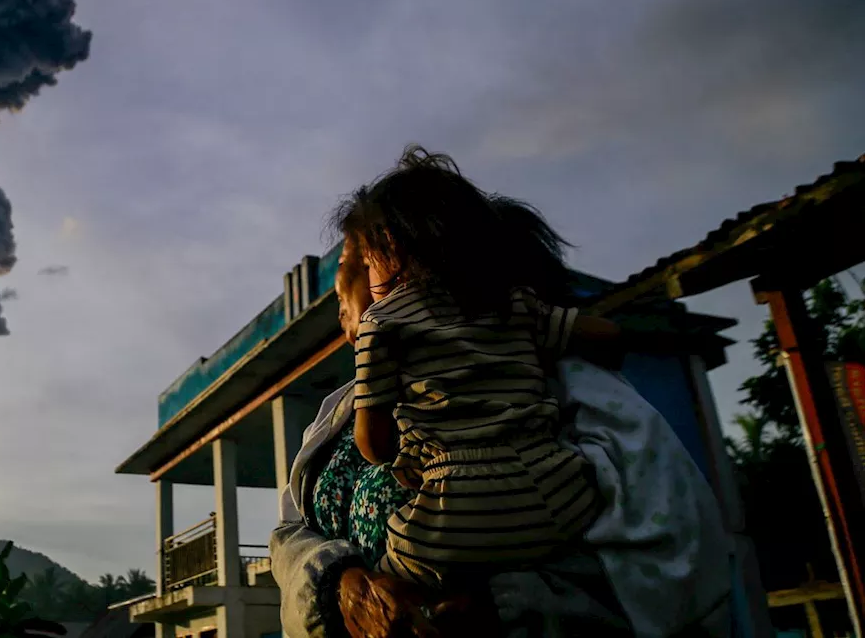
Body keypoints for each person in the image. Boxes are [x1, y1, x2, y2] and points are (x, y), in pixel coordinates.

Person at [270, 155, 734, 638]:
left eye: (354, 262)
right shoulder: (338, 413)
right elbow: (289, 534)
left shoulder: (567, 391)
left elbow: (677, 569)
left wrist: (509, 608)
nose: (342, 286)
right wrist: (342, 586)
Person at [335, 146, 617, 589]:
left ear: (391, 251)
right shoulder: (513, 303)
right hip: (559, 496)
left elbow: (372, 443)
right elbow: (604, 333)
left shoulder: (382, 322)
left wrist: (401, 453)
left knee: (386, 589)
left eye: (367, 262)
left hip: (456, 506)